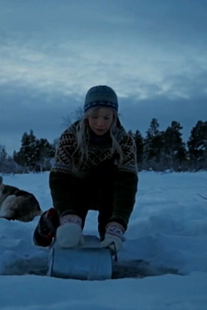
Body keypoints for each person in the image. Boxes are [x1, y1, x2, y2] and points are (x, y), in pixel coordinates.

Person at [33, 85, 139, 253]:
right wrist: (67, 215)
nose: (100, 123)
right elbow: (59, 180)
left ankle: (108, 232)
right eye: (94, 116)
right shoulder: (70, 137)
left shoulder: (125, 142)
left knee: (109, 234)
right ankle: (50, 220)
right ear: (86, 115)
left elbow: (126, 186)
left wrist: (118, 224)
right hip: (76, 190)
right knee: (69, 235)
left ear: (115, 117)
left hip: (108, 193)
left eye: (106, 117)